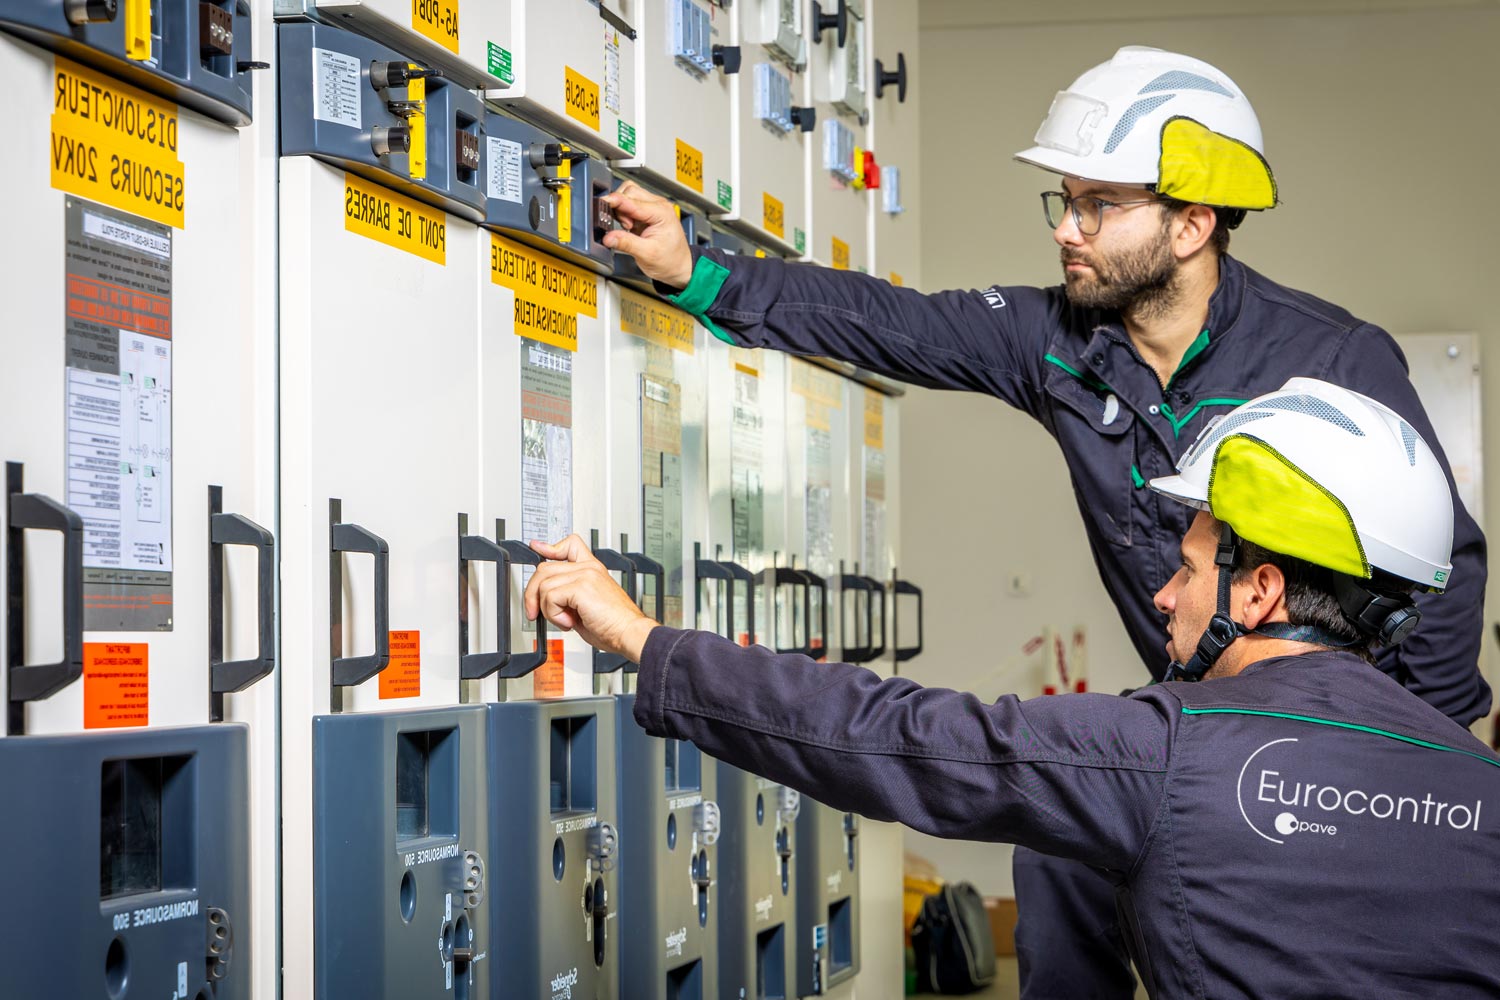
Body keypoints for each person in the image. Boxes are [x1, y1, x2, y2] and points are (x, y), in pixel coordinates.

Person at [598, 45, 1491, 996]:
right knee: (1061, 844)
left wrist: (1429, 760)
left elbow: (1445, 561)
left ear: (1192, 223)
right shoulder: (1054, 340)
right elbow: (899, 325)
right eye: (1065, 200)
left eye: (1099, 205)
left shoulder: (1333, 355)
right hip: (1195, 705)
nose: (1069, 229)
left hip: (1351, 710)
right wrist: (703, 274)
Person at [524, 380, 1500, 1000]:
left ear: (1262, 588)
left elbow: (890, 736)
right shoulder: (1476, 776)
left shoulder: (1165, 750)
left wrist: (645, 639)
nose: (1163, 593)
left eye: (1191, 565)